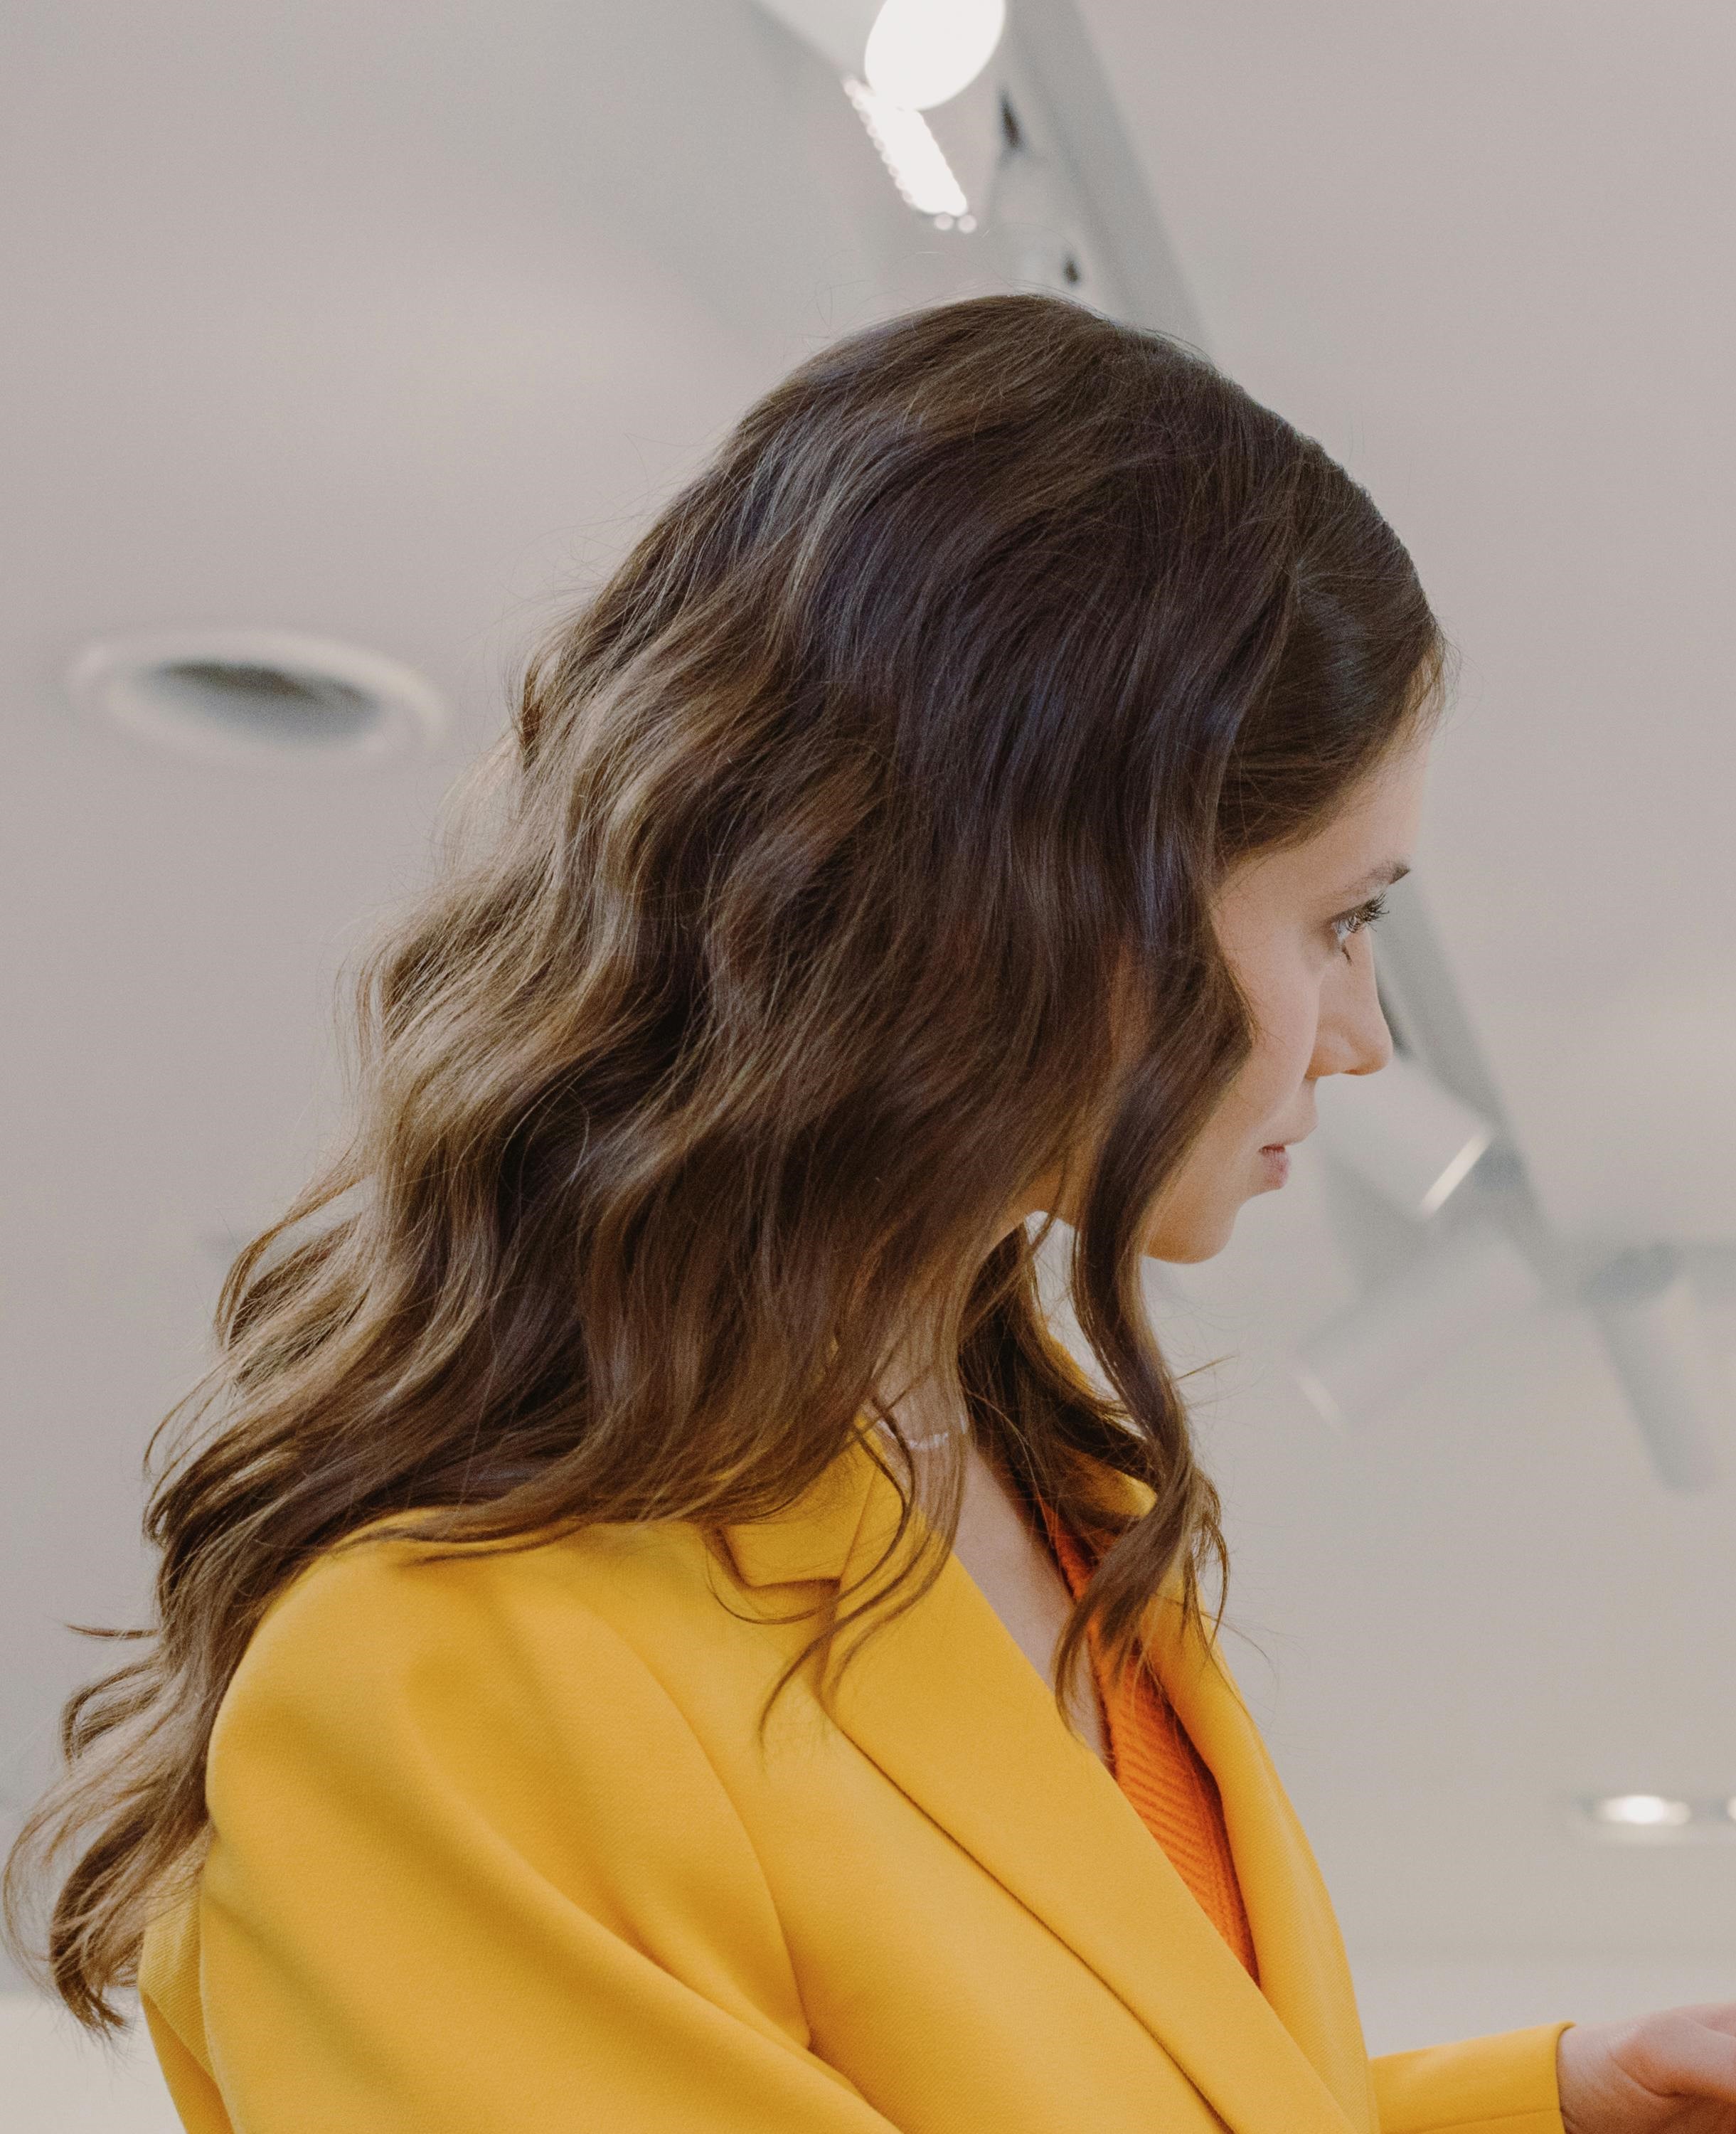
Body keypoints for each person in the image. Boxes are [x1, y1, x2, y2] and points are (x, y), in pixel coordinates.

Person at [8, 293, 1735, 2134]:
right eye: (1336, 920)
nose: (1364, 1038)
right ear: (1052, 904)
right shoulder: (446, 1690)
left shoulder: (1054, 1505)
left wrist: (1545, 2104)